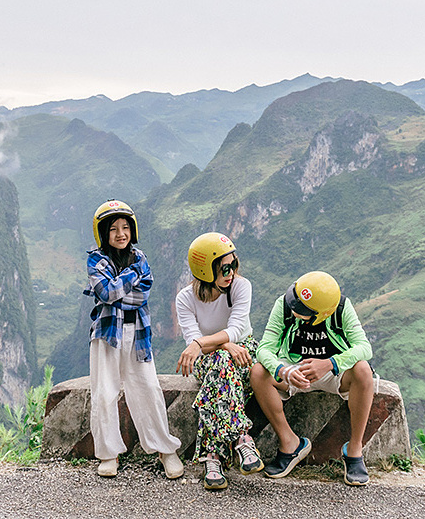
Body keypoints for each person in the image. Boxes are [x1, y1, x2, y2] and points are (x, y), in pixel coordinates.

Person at [84, 200, 183, 479]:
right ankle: (108, 454)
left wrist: (117, 288)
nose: (120, 234)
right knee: (104, 392)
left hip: (137, 334)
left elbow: (142, 294)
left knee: (148, 388)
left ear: (133, 230)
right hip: (107, 334)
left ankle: (165, 449)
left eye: (125, 227)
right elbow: (105, 293)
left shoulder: (140, 257)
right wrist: (130, 277)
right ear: (103, 233)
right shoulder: (96, 259)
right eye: (113, 229)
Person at [251, 271, 375, 486]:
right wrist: (283, 370)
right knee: (258, 372)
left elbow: (364, 348)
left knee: (363, 370)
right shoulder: (284, 305)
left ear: (323, 313)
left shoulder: (341, 308)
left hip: (333, 370)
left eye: (302, 310)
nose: (293, 309)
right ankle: (290, 443)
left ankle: (354, 449)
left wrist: (330, 363)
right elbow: (264, 349)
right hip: (294, 369)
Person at [175, 232, 263, 490]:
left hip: (243, 351)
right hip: (213, 356)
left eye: (233, 264)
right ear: (204, 270)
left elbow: (235, 329)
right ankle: (241, 439)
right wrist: (221, 345)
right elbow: (197, 339)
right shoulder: (185, 298)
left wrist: (204, 343)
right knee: (221, 361)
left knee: (218, 369)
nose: (231, 272)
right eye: (224, 267)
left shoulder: (241, 287)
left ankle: (213, 457)